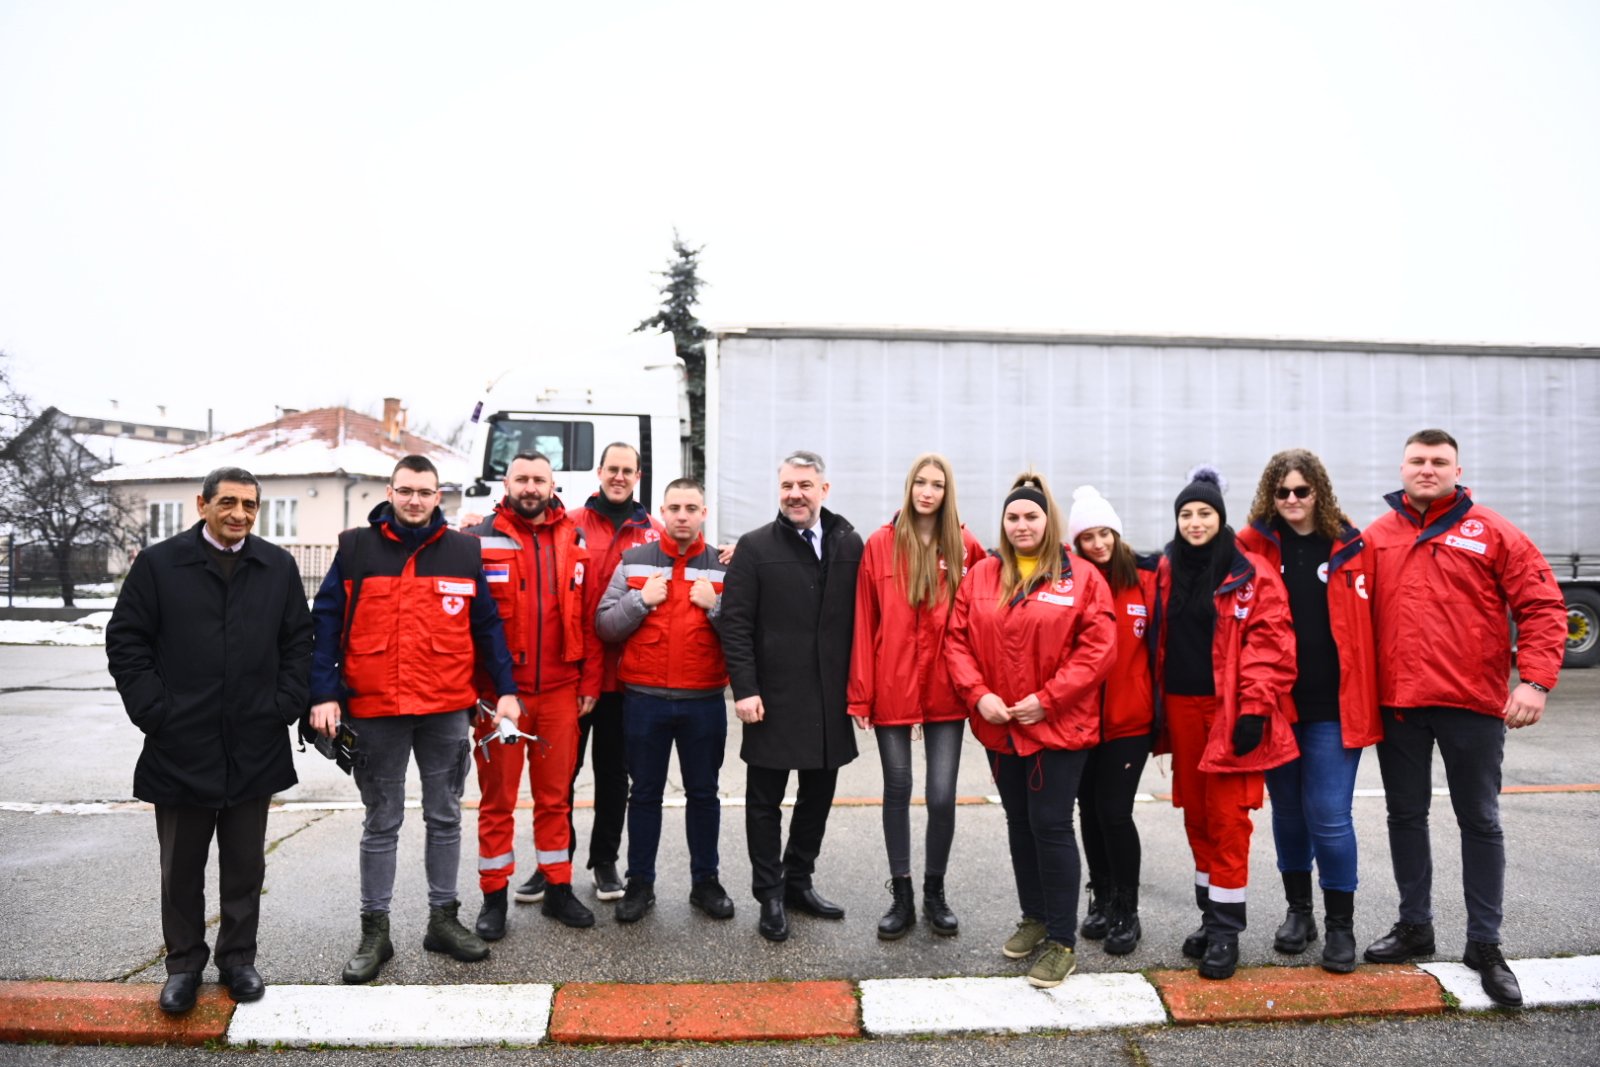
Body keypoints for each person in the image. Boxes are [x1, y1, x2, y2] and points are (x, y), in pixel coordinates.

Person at [1361, 429, 1565, 1008]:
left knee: (1479, 820)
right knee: (1406, 815)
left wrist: (1536, 680)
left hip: (1471, 705)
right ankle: (1415, 925)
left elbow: (1543, 605)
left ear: (1457, 468)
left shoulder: (1491, 531)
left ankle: (1485, 944)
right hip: (1399, 706)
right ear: (1402, 467)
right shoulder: (1377, 537)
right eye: (1418, 461)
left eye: (1439, 462)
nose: (1427, 469)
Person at [308, 455, 522, 984]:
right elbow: (325, 624)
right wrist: (323, 694)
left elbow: (488, 629)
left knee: (446, 816)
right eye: (405, 491)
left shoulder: (463, 551)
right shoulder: (356, 548)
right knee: (382, 821)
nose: (414, 501)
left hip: (447, 708)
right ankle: (375, 931)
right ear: (390, 491)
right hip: (375, 707)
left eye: (425, 492)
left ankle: (443, 921)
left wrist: (509, 692)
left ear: (438, 496)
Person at [107, 467, 312, 1014]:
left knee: (246, 865)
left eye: (249, 504)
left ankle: (238, 960)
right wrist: (155, 711)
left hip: (255, 741)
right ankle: (183, 967)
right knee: (181, 868)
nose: (239, 514)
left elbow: (299, 643)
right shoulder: (160, 564)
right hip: (180, 744)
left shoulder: (276, 566)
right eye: (227, 502)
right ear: (202, 504)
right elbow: (126, 640)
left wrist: (283, 705)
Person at [946, 472, 1117, 988]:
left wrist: (1048, 700)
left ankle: (1061, 941)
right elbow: (956, 642)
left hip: (1058, 729)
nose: (1022, 525)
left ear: (1049, 522)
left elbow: (1098, 649)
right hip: (1000, 728)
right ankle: (1034, 916)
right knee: (1019, 825)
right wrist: (981, 696)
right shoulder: (980, 576)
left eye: (1032, 516)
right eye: (1013, 517)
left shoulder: (1082, 577)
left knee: (1051, 825)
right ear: (1002, 523)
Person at [1238, 449, 1380, 974]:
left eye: (1302, 490)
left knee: (1330, 816)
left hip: (1334, 707)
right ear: (1270, 497)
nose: (1293, 500)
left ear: (1319, 491)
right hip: (1276, 706)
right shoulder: (1250, 545)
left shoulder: (1351, 545)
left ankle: (1341, 925)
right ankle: (1301, 913)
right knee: (1289, 813)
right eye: (1283, 492)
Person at [1157, 465, 1297, 981]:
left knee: (1228, 820)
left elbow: (1271, 643)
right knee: (1196, 817)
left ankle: (1225, 932)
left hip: (1230, 711)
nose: (1195, 522)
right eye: (1186, 514)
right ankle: (1208, 916)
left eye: (1204, 513)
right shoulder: (1169, 570)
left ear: (1221, 517)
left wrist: (1256, 708)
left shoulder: (1249, 572)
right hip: (1181, 709)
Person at [719, 450, 863, 942]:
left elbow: (864, 622)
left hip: (828, 700)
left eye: (804, 485)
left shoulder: (849, 543)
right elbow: (735, 625)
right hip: (771, 700)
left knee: (817, 798)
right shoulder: (755, 547)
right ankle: (770, 895)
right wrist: (746, 689)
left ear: (824, 490)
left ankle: (799, 880)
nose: (795, 494)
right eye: (786, 486)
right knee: (764, 802)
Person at [847, 453, 985, 941]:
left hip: (947, 687)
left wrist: (981, 686)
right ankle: (901, 894)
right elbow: (865, 621)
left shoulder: (965, 545)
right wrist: (861, 695)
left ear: (948, 493)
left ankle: (934, 891)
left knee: (943, 795)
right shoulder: (881, 544)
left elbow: (985, 617)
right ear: (909, 487)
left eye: (937, 485)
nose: (927, 492)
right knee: (898, 787)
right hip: (893, 685)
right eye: (920, 483)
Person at [464, 451, 601, 938]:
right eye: (521, 478)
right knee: (497, 801)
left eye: (538, 479)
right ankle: (494, 896)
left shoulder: (573, 536)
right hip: (502, 698)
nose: (530, 487)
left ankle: (558, 888)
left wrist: (589, 680)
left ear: (552, 484)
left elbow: (586, 617)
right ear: (506, 483)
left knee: (555, 798)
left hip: (562, 692)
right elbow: (466, 624)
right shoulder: (477, 539)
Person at [594, 477, 735, 923]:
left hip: (704, 701)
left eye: (691, 508)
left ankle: (705, 883)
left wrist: (715, 606)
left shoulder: (724, 568)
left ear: (703, 514)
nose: (681, 516)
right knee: (645, 796)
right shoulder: (633, 563)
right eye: (674, 508)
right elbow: (605, 626)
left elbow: (742, 636)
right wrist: (640, 600)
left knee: (704, 795)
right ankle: (640, 884)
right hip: (645, 701)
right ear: (662, 511)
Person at [561, 442, 664, 905]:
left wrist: (730, 554)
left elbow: (690, 562)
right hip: (575, 674)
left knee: (613, 776)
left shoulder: (654, 534)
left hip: (626, 681)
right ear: (599, 472)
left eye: (628, 470)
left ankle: (604, 861)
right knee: (560, 774)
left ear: (638, 475)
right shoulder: (570, 527)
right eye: (612, 469)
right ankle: (553, 861)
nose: (619, 476)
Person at [1065, 485, 1159, 957]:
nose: (1098, 544)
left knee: (1115, 813)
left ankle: (1127, 908)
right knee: (1088, 812)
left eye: (1105, 534)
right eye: (1088, 537)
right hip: (1080, 723)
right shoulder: (1072, 581)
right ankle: (1099, 897)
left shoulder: (1145, 578)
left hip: (1129, 721)